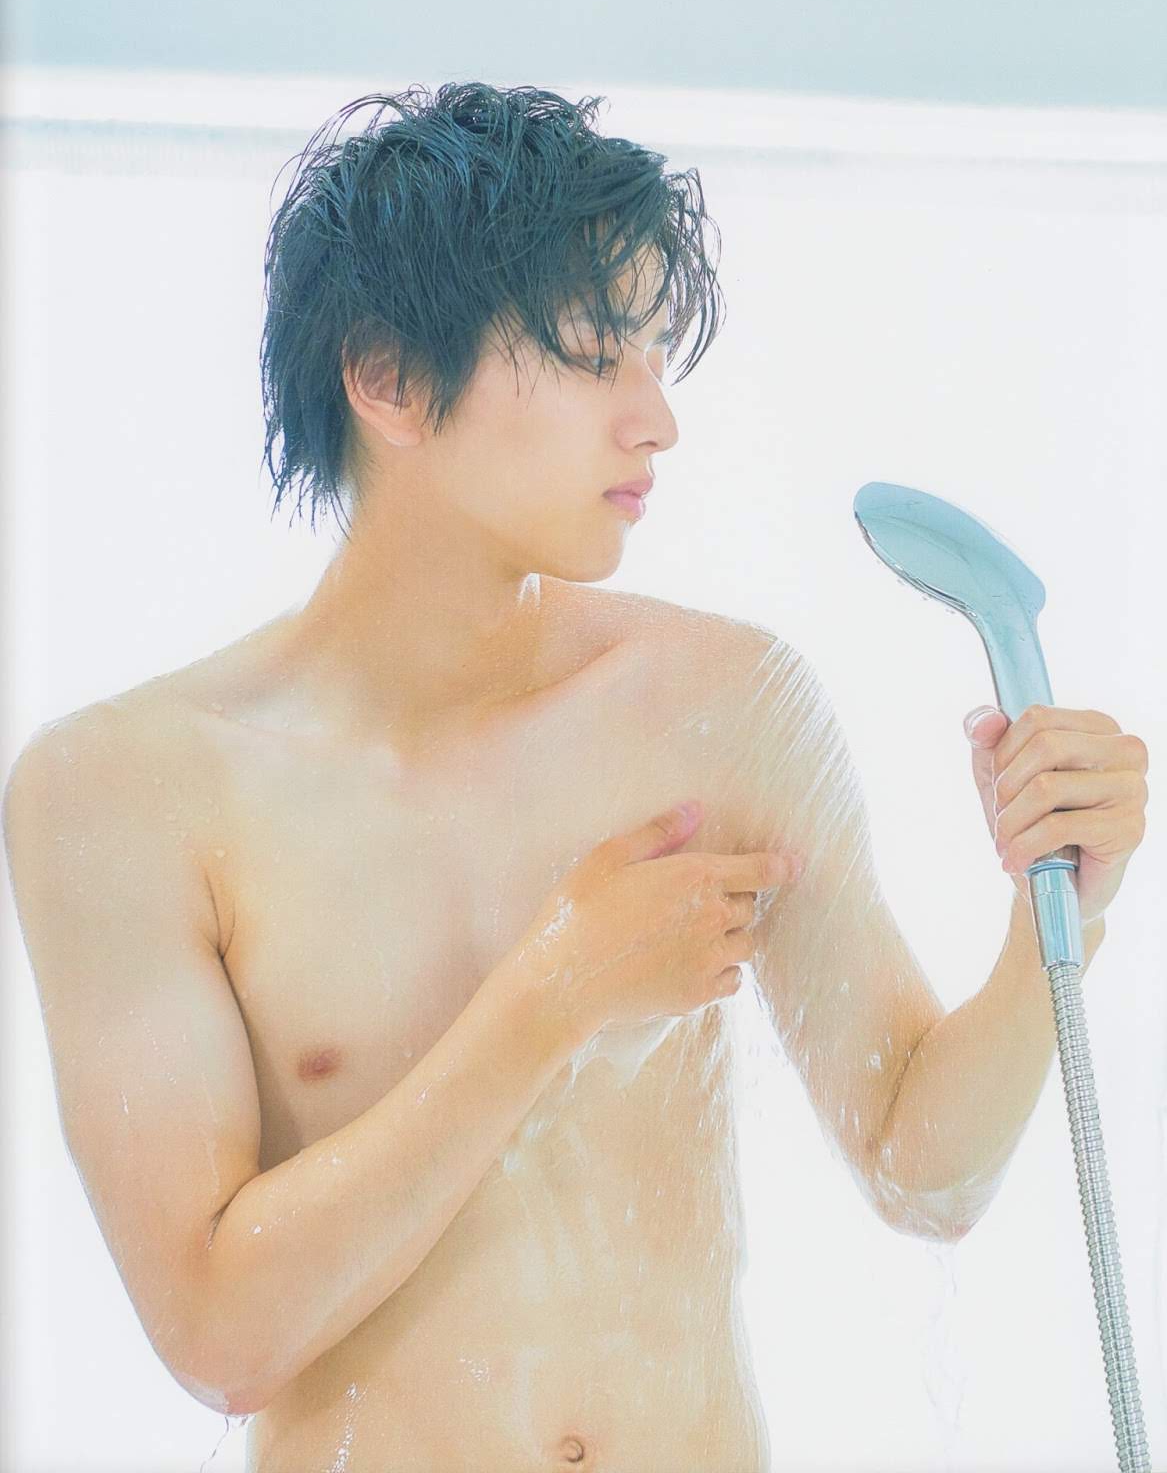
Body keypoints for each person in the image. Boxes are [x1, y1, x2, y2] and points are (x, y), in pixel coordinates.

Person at [2, 83, 952, 1472]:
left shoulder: (724, 705)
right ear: (389, 377)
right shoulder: (122, 793)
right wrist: (553, 997)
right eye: (596, 354)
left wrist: (1065, 904)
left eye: (656, 356)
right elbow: (217, 1335)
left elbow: (925, 1169)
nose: (657, 422)